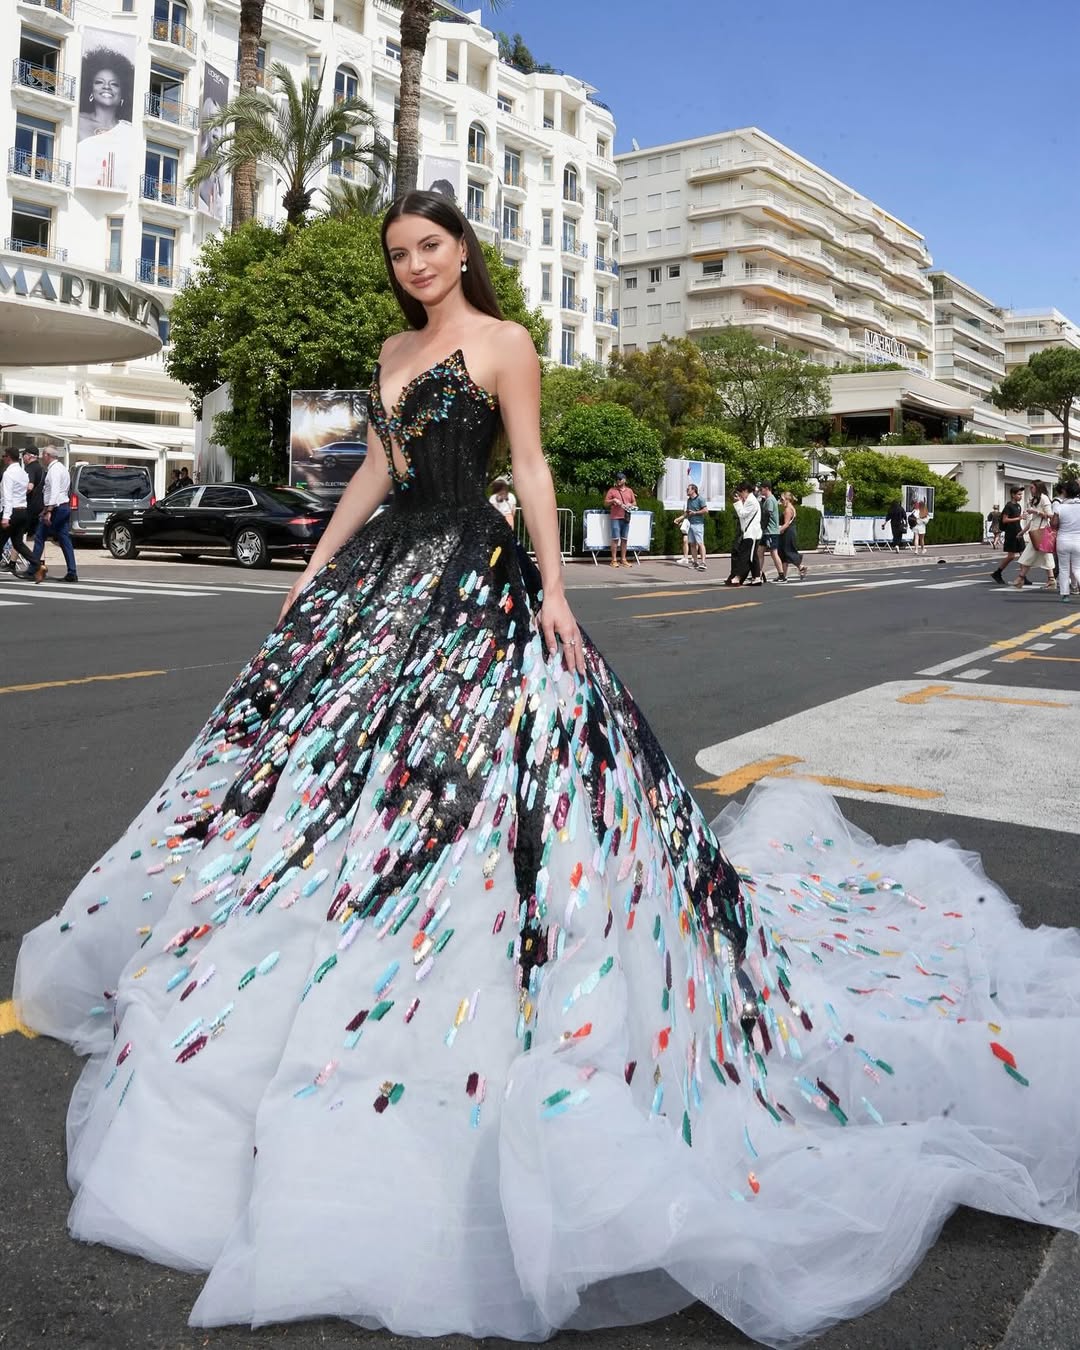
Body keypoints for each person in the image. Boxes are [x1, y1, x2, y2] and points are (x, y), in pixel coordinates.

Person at [15, 190, 1080, 1350]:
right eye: (400, 253)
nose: (416, 264)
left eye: (431, 246)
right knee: (336, 788)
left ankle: (466, 963)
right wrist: (316, 562)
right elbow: (376, 466)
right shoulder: (388, 350)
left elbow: (525, 463)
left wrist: (558, 591)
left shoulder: (505, 343)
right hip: (383, 578)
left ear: (464, 250)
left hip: (475, 579)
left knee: (479, 788)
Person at [76, 46, 135, 191]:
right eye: (99, 82)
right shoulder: (76, 121)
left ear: (123, 93)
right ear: (90, 89)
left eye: (114, 84)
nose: (107, 87)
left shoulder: (130, 132)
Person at [23, 444, 77, 583]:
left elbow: (54, 492)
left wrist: (49, 511)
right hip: (63, 506)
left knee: (40, 536)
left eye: (44, 455)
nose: (42, 458)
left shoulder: (53, 471)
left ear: (48, 456)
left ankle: (33, 569)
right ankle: (72, 571)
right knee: (65, 540)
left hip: (56, 508)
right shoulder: (62, 469)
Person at [1014, 479, 1056, 591]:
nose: (1030, 490)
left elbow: (1050, 515)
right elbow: (1033, 520)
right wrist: (1023, 531)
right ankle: (1051, 579)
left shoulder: (1044, 498)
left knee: (1028, 556)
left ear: (1037, 487)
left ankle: (1020, 578)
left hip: (1041, 531)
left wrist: (1035, 512)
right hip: (1035, 531)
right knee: (1045, 556)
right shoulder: (1035, 499)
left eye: (1032, 487)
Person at [0, 447, 36, 575]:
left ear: (9, 457)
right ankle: (37, 565)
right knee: (18, 543)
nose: (3, 458)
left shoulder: (8, 474)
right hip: (22, 510)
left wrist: (6, 517)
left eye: (4, 456)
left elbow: (8, 497)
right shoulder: (23, 473)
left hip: (12, 512)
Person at [725, 480, 762, 585]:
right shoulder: (750, 500)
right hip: (751, 533)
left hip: (751, 534)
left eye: (740, 492)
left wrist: (737, 503)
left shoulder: (751, 501)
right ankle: (756, 578)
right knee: (752, 556)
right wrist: (741, 502)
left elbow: (742, 514)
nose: (740, 494)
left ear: (745, 490)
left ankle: (738, 577)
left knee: (745, 556)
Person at [1050, 480, 1080, 602]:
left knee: (1064, 568)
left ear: (1065, 492)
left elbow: (1054, 525)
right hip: (1078, 540)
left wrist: (1055, 517)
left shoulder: (1060, 507)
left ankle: (1065, 594)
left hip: (1063, 539)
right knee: (1077, 568)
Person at [992, 487, 1025, 585]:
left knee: (1023, 555)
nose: (1020, 496)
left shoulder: (1018, 506)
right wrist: (1019, 518)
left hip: (1018, 532)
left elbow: (1017, 519)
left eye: (1021, 494)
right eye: (1019, 494)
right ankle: (997, 573)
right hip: (1011, 533)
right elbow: (1004, 520)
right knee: (1011, 556)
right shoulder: (1008, 506)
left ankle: (1023, 576)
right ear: (1013, 495)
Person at [604, 470, 636, 568]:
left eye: (620, 479)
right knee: (615, 539)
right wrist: (613, 500)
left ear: (624, 480)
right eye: (617, 479)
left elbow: (634, 503)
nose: (618, 480)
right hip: (615, 518)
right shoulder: (612, 490)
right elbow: (605, 503)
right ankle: (613, 560)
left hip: (626, 517)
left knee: (624, 539)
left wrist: (630, 504)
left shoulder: (629, 491)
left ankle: (623, 559)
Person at [777, 489, 808, 581]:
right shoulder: (791, 508)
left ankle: (801, 567)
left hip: (788, 533)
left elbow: (786, 524)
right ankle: (783, 575)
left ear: (787, 500)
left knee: (788, 551)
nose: (781, 502)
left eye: (782, 500)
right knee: (783, 553)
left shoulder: (788, 510)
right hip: (789, 532)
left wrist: (778, 531)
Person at [757, 481, 783, 580]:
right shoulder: (768, 500)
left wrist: (762, 527)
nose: (760, 491)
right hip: (767, 532)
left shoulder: (770, 500)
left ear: (767, 488)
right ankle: (758, 573)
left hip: (770, 532)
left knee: (774, 553)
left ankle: (781, 575)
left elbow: (767, 515)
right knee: (760, 552)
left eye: (761, 489)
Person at [22, 446, 44, 544]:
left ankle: (17, 557)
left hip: (30, 506)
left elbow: (30, 486)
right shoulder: (41, 468)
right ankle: (37, 558)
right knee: (39, 537)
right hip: (39, 506)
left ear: (29, 456)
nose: (23, 458)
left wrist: (19, 495)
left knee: (20, 535)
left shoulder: (30, 468)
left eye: (23, 455)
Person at [684, 481, 708, 571]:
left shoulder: (700, 499)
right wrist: (680, 518)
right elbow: (687, 512)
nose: (687, 491)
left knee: (700, 543)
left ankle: (703, 563)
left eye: (688, 489)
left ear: (693, 490)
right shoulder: (689, 500)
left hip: (698, 524)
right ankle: (695, 562)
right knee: (692, 544)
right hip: (691, 524)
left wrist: (695, 513)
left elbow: (706, 510)